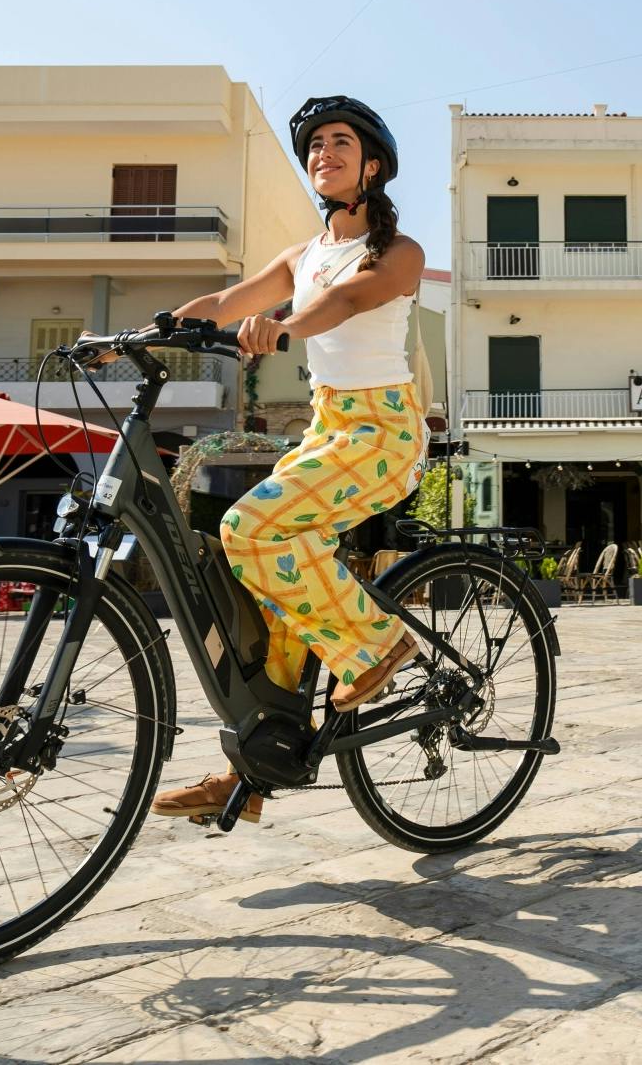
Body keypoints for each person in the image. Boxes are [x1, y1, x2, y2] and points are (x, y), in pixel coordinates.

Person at [91, 97, 430, 826]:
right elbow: (224, 298)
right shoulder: (300, 256)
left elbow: (341, 304)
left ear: (372, 165)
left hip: (382, 433)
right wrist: (135, 335)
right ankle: (253, 771)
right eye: (315, 147)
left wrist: (282, 328)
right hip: (327, 428)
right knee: (260, 580)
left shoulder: (398, 253)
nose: (323, 154)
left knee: (254, 529)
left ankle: (376, 644)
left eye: (340, 143)